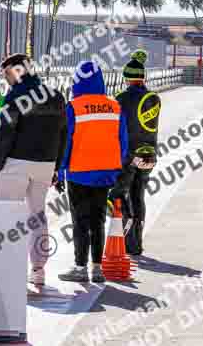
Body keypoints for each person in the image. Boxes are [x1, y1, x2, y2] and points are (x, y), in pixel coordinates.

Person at [0, 53, 67, 286]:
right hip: (45, 164)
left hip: (16, 163)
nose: (6, 79)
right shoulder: (56, 96)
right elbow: (64, 134)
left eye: (7, 73)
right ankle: (38, 269)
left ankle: (9, 271)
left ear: (18, 71)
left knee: (7, 216)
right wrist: (56, 166)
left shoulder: (15, 96)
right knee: (37, 215)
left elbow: (5, 132)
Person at [57, 60, 129, 283]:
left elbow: (65, 142)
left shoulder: (73, 107)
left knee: (80, 221)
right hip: (105, 172)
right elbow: (123, 142)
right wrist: (116, 166)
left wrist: (60, 170)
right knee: (98, 220)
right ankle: (97, 268)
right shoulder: (115, 106)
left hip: (78, 172)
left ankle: (80, 267)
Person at [112, 50, 160, 256]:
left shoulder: (121, 99)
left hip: (129, 155)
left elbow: (116, 128)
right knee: (138, 196)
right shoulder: (154, 98)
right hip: (149, 154)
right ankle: (136, 244)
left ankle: (127, 231)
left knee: (117, 194)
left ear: (127, 78)